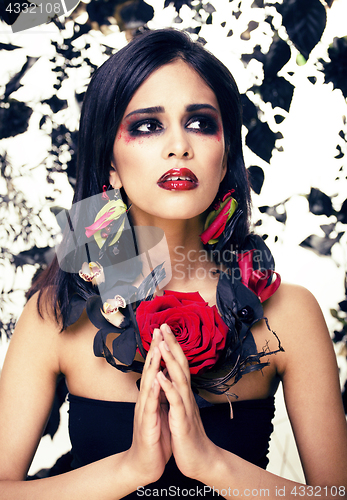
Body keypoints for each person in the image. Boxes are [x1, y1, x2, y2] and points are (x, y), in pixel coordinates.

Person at [0, 28, 346, 499]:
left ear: (225, 160)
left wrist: (212, 464)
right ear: (110, 166)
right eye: (147, 125)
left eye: (201, 123)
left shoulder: (291, 314)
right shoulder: (54, 314)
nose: (179, 145)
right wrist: (129, 470)